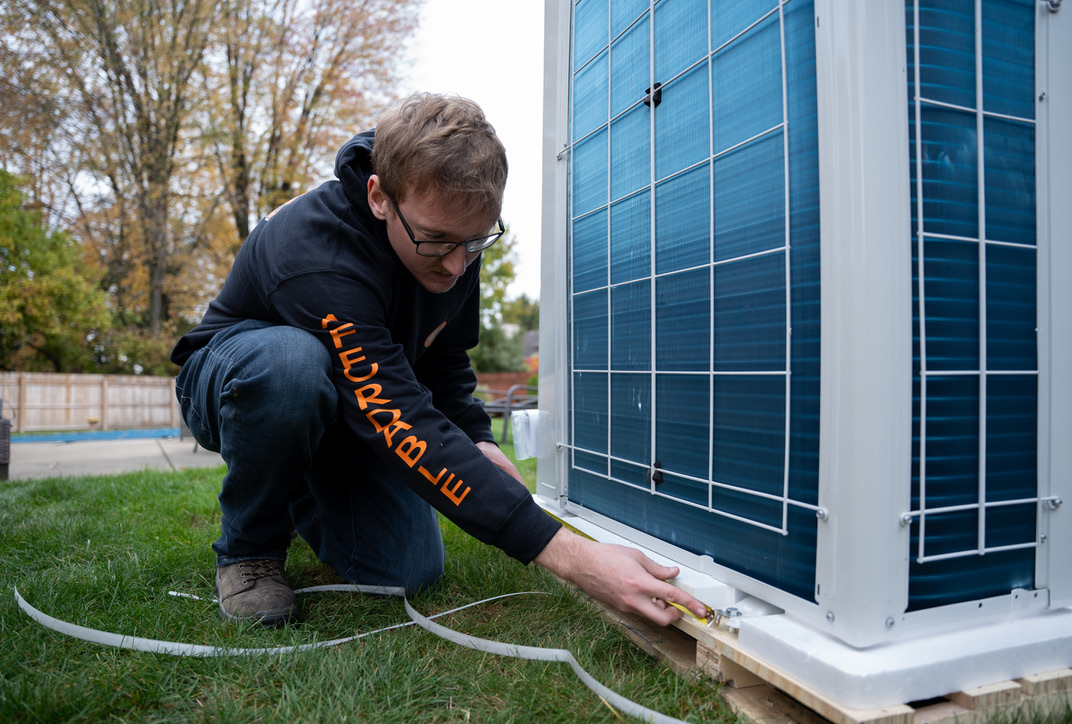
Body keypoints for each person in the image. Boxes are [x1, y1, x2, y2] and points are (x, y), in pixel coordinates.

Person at [171, 92, 705, 629]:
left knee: (407, 570)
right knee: (291, 365)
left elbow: (443, 356)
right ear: (380, 197)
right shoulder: (315, 253)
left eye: (475, 242)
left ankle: (294, 483)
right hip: (241, 378)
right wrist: (576, 557)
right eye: (436, 241)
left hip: (344, 398)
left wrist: (478, 440)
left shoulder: (455, 239)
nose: (455, 265)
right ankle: (249, 549)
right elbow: (397, 415)